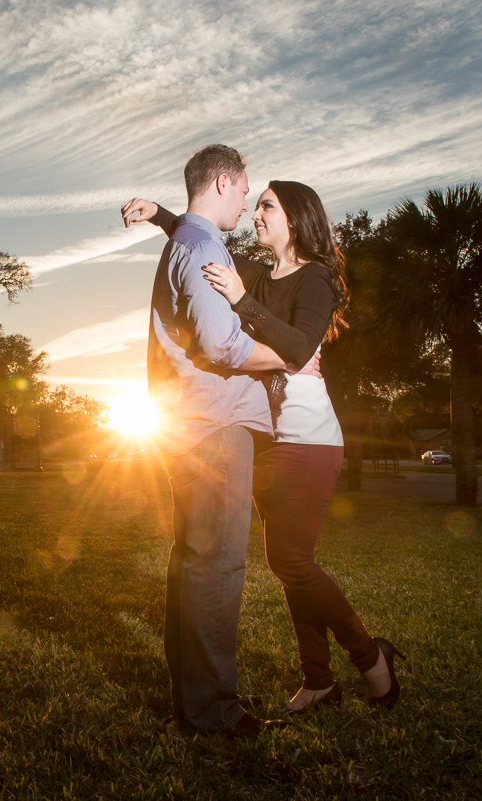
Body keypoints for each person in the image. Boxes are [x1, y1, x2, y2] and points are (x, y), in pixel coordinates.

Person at [123, 180, 405, 714]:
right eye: (254, 204)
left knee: (292, 561)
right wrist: (160, 214)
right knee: (289, 562)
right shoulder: (251, 270)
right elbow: (199, 236)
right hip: (265, 436)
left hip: (307, 436)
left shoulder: (314, 279)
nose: (255, 213)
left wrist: (243, 302)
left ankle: (371, 659)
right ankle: (318, 679)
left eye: (267, 205)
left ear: (297, 218)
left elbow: (298, 350)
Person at [139, 145, 320, 738]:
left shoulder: (186, 242)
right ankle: (213, 713)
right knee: (216, 567)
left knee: (194, 564)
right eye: (245, 190)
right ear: (223, 181)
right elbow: (221, 345)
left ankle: (195, 703)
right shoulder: (202, 247)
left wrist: (162, 213)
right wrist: (285, 358)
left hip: (190, 421)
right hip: (214, 425)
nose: (247, 202)